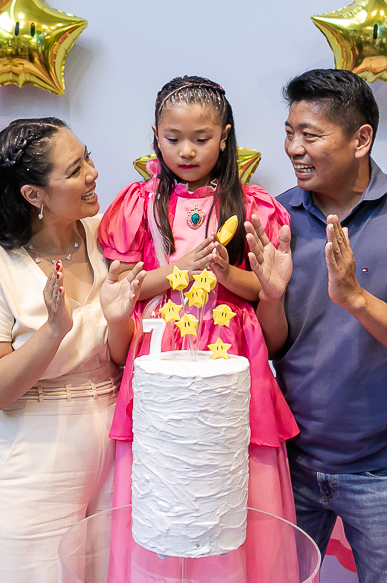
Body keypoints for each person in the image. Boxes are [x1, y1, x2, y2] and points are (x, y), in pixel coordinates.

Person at [246, 69, 387, 583]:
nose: (294, 148)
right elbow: (276, 346)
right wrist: (271, 298)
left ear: (361, 139)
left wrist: (356, 300)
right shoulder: (278, 214)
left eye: (311, 135)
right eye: (290, 132)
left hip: (384, 467)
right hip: (292, 458)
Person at [0, 118, 144, 583]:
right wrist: (53, 330)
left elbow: (117, 357)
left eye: (88, 157)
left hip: (116, 445)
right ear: (34, 195)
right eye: (75, 170)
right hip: (35, 456)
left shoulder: (101, 234)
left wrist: (119, 321)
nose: (93, 173)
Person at [98, 75, 300, 528]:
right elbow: (122, 287)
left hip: (234, 350)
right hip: (159, 348)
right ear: (155, 137)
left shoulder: (254, 207)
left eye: (201, 139)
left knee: (231, 476)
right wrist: (177, 271)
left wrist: (231, 275)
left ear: (225, 137)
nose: (186, 151)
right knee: (164, 487)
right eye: (173, 139)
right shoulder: (138, 204)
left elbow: (262, 291)